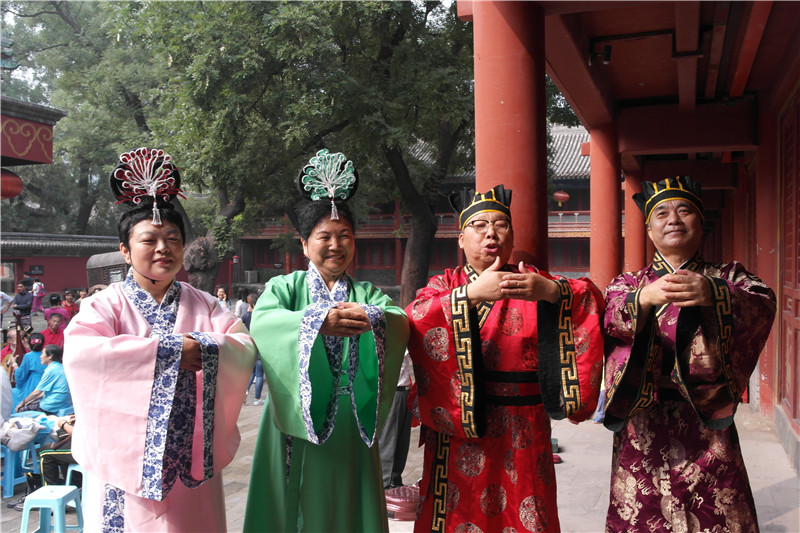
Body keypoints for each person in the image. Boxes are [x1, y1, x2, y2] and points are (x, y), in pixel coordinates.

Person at [63, 147, 257, 532]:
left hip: (192, 458)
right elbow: (84, 355)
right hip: (122, 463)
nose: (163, 248)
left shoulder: (206, 304)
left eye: (172, 238)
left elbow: (243, 346)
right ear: (125, 250)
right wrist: (169, 353)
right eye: (149, 240)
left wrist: (206, 349)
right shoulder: (103, 306)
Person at [406, 185, 605, 533]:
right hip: (461, 424)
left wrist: (552, 292)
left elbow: (589, 298)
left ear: (511, 235)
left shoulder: (532, 280)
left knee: (529, 511)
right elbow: (416, 315)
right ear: (461, 239)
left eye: (501, 225)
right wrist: (469, 295)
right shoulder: (446, 284)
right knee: (456, 514)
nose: (491, 233)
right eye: (479, 225)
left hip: (525, 425)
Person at [243, 149, 410, 533]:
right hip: (295, 417)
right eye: (324, 237)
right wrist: (316, 321)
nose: (336, 245)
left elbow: (398, 320)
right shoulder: (284, 287)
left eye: (345, 236)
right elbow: (264, 323)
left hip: (353, 420)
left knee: (350, 506)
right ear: (304, 244)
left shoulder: (367, 293)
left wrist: (373, 318)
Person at [602, 176, 777, 532]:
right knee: (642, 516)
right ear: (649, 231)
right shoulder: (629, 283)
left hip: (708, 420)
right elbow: (607, 318)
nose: (673, 220)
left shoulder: (727, 276)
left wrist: (715, 293)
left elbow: (763, 303)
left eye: (684, 211)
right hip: (643, 422)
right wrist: (643, 299)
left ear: (700, 222)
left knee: (717, 515)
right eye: (662, 214)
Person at [378, 349, 414, 490]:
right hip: (392, 391)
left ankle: (396, 480)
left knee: (402, 441)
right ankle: (384, 484)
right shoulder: (388, 340)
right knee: (389, 439)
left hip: (405, 391)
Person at [15, 344, 71, 415]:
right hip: (63, 403)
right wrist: (33, 399)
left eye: (42, 354)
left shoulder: (51, 370)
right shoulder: (60, 367)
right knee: (32, 403)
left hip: (52, 405)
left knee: (20, 409)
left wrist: (21, 403)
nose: (40, 356)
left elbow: (36, 392)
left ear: (50, 356)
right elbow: (50, 391)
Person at [242, 294, 265, 406]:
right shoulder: (261, 317)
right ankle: (257, 398)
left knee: (251, 373)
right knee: (259, 375)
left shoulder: (246, 316)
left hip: (250, 346)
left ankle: (244, 392)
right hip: (260, 346)